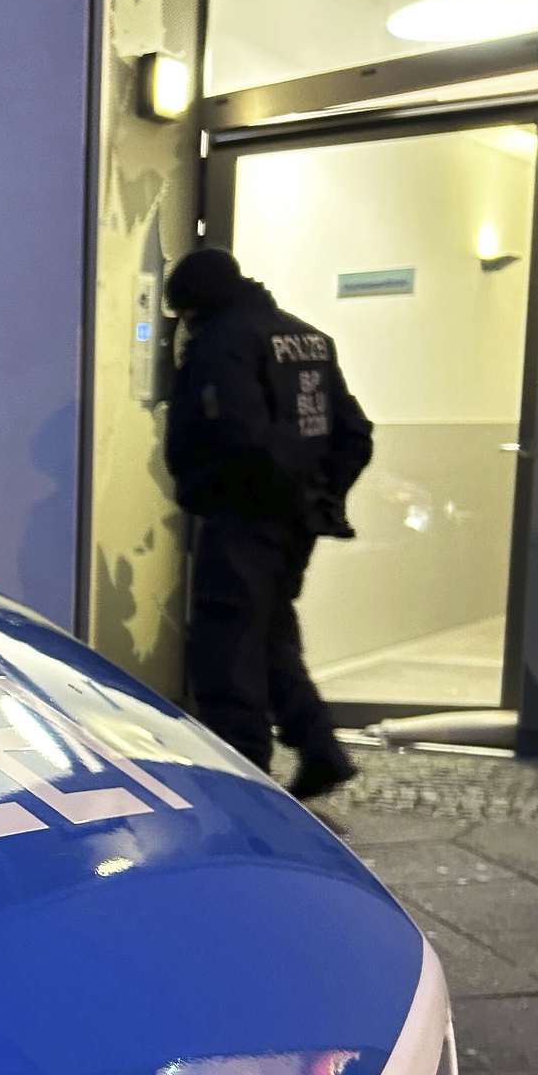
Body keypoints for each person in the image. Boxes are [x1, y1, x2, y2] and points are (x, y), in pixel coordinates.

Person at [163, 247, 373, 800]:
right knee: (269, 634)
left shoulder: (222, 343)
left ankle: (243, 786)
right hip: (294, 521)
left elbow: (239, 438)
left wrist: (219, 491)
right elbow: (355, 431)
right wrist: (319, 495)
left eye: (183, 315)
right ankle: (320, 748)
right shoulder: (308, 339)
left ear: (197, 305)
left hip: (242, 516)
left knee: (226, 648)